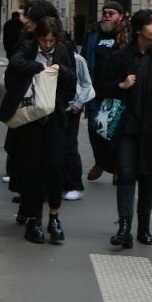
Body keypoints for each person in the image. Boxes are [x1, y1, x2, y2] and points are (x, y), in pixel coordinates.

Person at [98, 9, 152, 247]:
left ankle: (143, 227)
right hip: (126, 128)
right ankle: (124, 227)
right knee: (126, 175)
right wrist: (121, 85)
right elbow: (102, 86)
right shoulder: (120, 57)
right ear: (138, 29)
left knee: (148, 178)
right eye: (151, 24)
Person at [0, 9, 76, 244]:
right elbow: (16, 64)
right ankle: (34, 219)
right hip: (31, 117)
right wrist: (40, 68)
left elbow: (74, 77)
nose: (47, 45)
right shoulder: (29, 47)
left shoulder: (63, 50)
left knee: (54, 165)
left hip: (54, 116)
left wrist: (60, 71)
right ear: (38, 37)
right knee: (32, 169)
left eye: (52, 41)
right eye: (44, 40)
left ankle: (54, 216)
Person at [82, 1, 129, 180]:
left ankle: (114, 167)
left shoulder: (126, 35)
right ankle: (101, 162)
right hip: (94, 90)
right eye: (105, 12)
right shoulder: (93, 33)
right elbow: (85, 57)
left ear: (121, 16)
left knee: (110, 132)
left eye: (111, 13)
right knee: (94, 130)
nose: (107, 16)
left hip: (116, 91)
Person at [63, 46, 95, 201]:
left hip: (71, 108)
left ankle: (75, 184)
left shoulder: (77, 60)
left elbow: (87, 83)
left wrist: (78, 103)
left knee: (69, 146)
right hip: (53, 108)